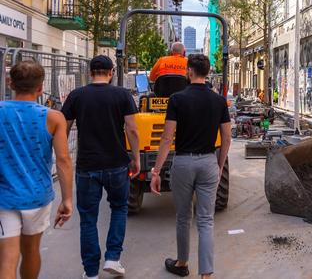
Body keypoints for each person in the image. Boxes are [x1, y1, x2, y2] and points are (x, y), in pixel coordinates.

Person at [150, 54, 232, 279]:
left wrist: (156, 170)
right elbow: (226, 137)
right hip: (208, 162)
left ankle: (182, 263)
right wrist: (219, 164)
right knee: (206, 220)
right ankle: (206, 275)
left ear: (189, 72)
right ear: (207, 73)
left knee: (183, 216)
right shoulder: (218, 100)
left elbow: (167, 139)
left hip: (183, 162)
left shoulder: (177, 99)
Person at [61, 55, 140, 279]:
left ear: (90, 72)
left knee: (88, 219)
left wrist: (63, 155)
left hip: (87, 166)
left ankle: (91, 272)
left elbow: (63, 127)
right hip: (116, 164)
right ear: (111, 72)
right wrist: (135, 157)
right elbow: (132, 130)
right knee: (119, 208)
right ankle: (113, 258)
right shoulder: (122, 95)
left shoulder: (77, 96)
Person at [0, 61, 73, 279]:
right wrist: (67, 199)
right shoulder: (53, 118)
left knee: (7, 258)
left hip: (4, 196)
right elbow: (63, 160)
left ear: (10, 82)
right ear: (41, 88)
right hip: (38, 195)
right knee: (31, 251)